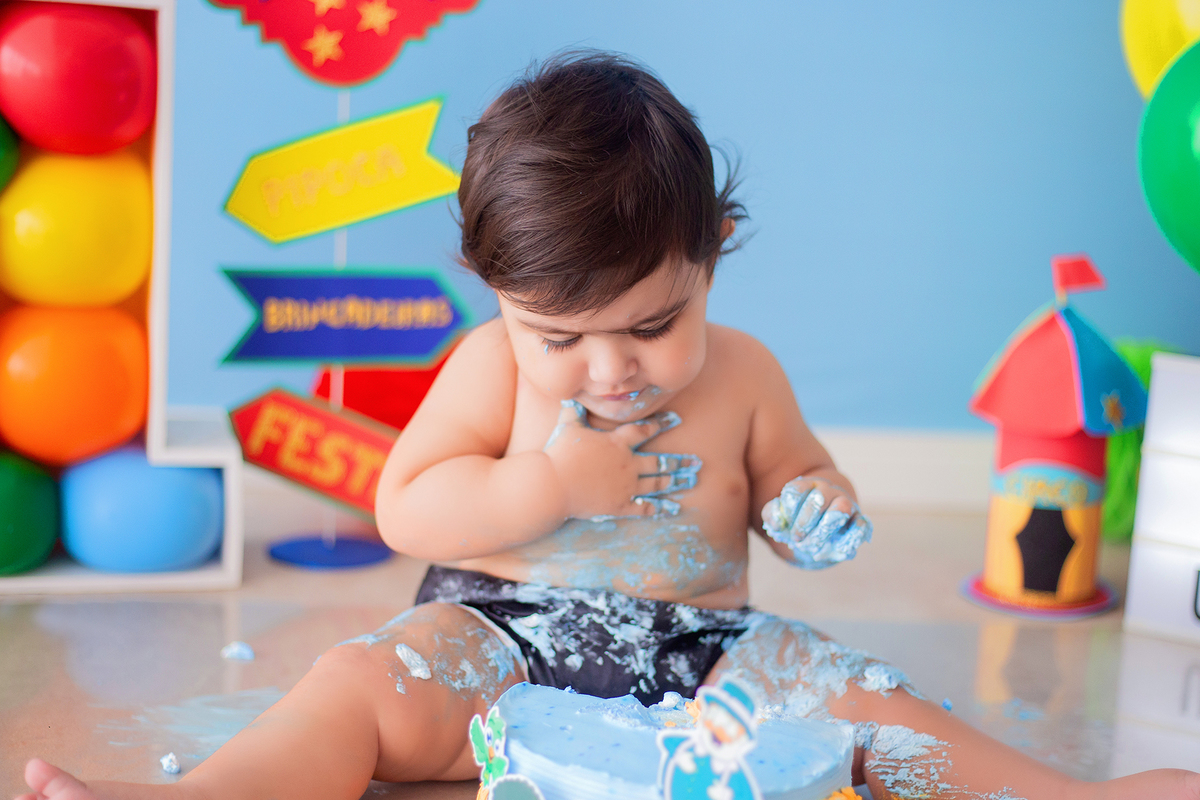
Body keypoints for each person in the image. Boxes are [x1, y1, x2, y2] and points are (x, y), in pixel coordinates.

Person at [19, 51, 1199, 800]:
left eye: (652, 323)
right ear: (499, 300)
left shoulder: (743, 372)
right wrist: (545, 487)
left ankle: (1061, 794)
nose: (612, 369)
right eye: (561, 337)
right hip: (498, 637)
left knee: (860, 696)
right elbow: (406, 502)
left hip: (703, 659)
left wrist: (813, 501)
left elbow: (795, 471)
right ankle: (211, 794)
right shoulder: (489, 367)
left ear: (712, 256)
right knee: (354, 683)